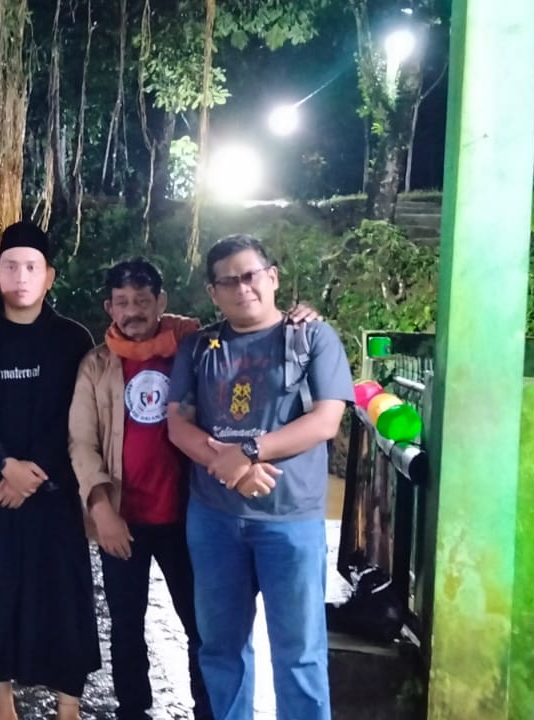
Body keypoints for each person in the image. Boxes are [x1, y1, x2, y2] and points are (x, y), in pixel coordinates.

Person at [69, 259, 321, 720]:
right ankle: (132, 710)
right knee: (125, 626)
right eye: (122, 302)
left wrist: (295, 316)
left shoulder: (195, 347)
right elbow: (82, 443)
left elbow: (246, 323)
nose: (132, 311)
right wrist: (101, 508)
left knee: (203, 627)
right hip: (122, 517)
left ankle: (208, 709)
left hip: (190, 517)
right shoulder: (97, 364)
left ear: (161, 302)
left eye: (142, 300)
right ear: (109, 308)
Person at [165, 235, 353, 720]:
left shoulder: (313, 338)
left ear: (272, 277)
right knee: (220, 646)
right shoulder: (198, 347)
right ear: (213, 292)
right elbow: (178, 425)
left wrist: (248, 452)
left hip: (290, 519)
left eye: (250, 275)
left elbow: (325, 421)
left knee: (300, 650)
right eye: (227, 281)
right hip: (214, 519)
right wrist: (228, 468)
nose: (241, 287)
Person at [0, 222, 100, 720]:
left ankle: (68, 706)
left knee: (63, 598)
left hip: (53, 496)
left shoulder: (73, 340)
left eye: (31, 267)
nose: (21, 276)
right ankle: (1, 702)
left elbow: (79, 416)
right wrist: (3, 465)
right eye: (10, 266)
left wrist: (35, 473)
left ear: (49, 276)